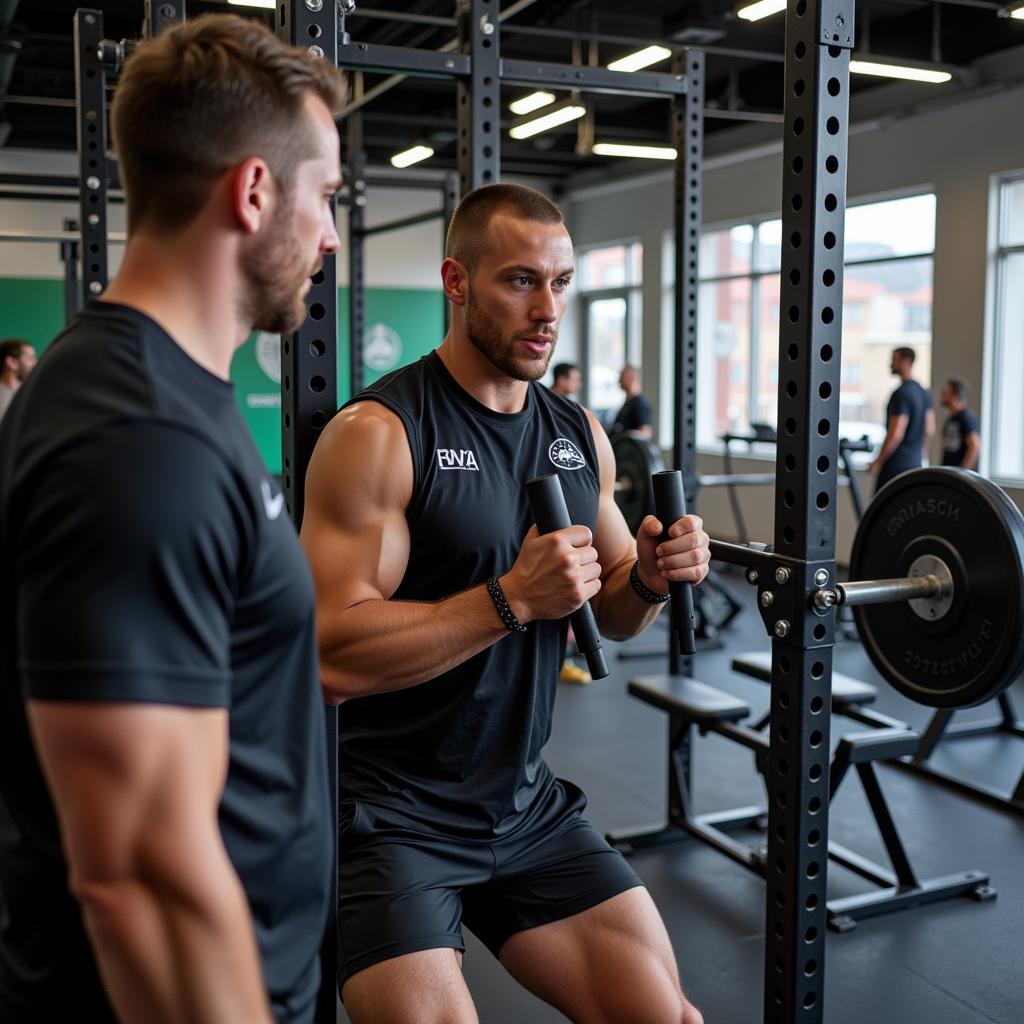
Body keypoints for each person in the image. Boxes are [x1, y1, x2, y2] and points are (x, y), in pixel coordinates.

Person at [0, 16, 345, 1024]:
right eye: (324, 196)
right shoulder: (141, 442)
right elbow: (139, 878)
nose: (330, 235)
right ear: (252, 192)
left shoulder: (165, 395)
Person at [301, 183, 710, 1024]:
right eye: (521, 281)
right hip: (387, 819)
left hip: (524, 806)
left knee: (668, 1016)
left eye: (560, 282)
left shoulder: (576, 433)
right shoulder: (380, 433)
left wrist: (653, 578)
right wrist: (510, 599)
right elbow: (325, 654)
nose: (547, 308)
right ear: (456, 281)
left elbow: (615, 612)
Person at [868, 346, 934, 492]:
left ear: (907, 362)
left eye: (894, 359)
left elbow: (896, 434)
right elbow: (929, 429)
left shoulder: (901, 394)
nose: (890, 364)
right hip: (914, 464)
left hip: (895, 465)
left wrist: (878, 462)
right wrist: (917, 456)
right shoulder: (924, 393)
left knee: (883, 510)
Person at [939, 377, 980, 470]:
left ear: (955, 396)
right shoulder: (952, 418)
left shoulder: (966, 417)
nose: (942, 395)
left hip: (958, 477)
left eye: (946, 393)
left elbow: (974, 446)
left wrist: (962, 473)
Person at [611, 362, 653, 438]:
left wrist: (627, 438)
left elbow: (645, 433)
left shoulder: (639, 403)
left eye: (622, 376)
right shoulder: (629, 402)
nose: (619, 381)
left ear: (632, 378)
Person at [0, 338, 36, 422]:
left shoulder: (24, 396)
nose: (35, 363)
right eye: (30, 358)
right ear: (12, 362)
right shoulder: (2, 401)